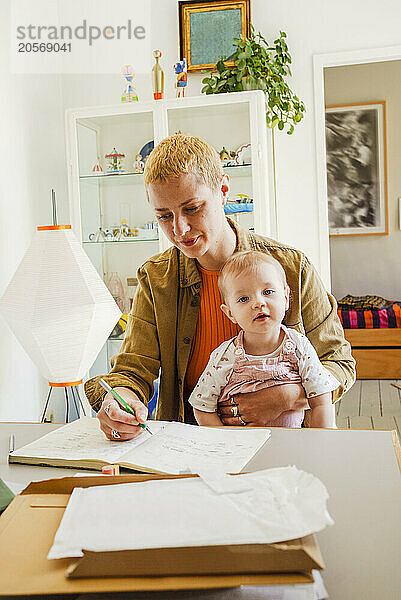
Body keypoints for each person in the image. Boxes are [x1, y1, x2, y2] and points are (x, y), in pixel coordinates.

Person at [84, 133, 355, 441]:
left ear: (223, 190)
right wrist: (121, 399)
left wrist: (287, 396)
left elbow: (339, 363)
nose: (179, 229)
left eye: (192, 208)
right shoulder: (156, 279)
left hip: (289, 445)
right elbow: (133, 369)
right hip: (191, 445)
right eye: (164, 216)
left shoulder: (292, 268)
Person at [189, 251, 339, 428]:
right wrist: (224, 441)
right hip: (241, 448)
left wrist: (323, 441)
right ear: (230, 313)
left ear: (285, 298)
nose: (258, 303)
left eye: (267, 292)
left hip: (291, 445)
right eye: (244, 298)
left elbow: (321, 398)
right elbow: (202, 406)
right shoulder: (224, 356)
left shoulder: (300, 346)